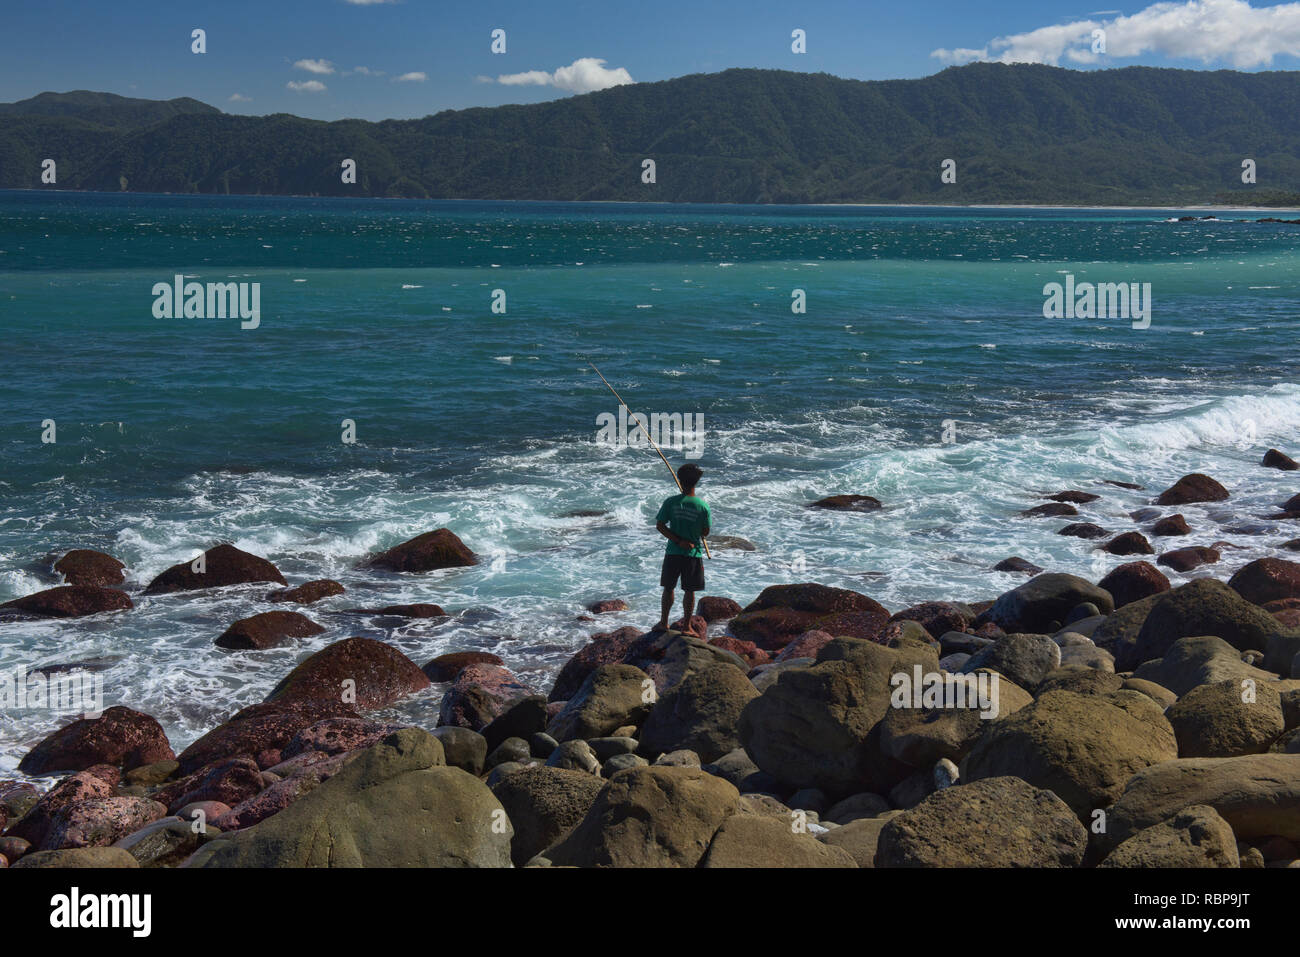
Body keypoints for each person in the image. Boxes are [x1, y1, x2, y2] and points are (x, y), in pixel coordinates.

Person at [653, 463, 710, 632]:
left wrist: (678, 541)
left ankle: (664, 623)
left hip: (673, 552)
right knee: (689, 591)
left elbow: (661, 526)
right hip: (693, 553)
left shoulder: (670, 502)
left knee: (668, 588)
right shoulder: (702, 506)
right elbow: (705, 532)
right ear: (696, 482)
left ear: (680, 480)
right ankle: (687, 627)